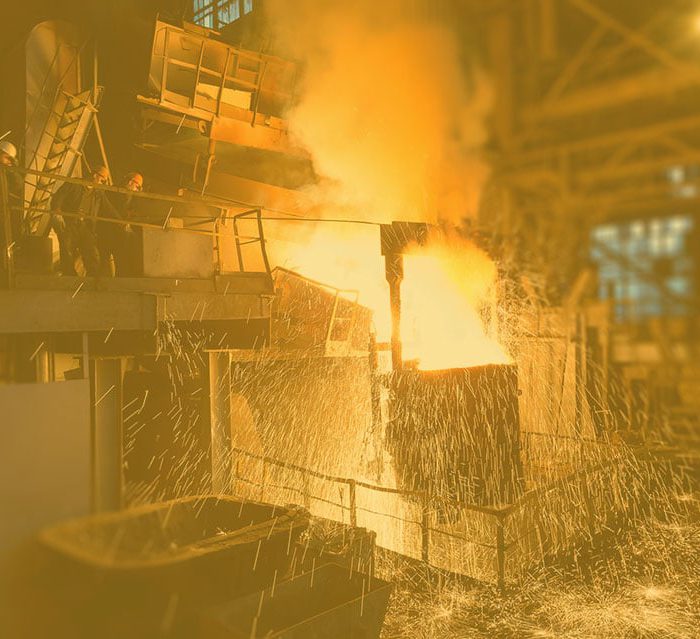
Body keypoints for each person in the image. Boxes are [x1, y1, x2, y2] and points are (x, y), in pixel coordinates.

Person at [50, 165, 117, 276]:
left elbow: (109, 208)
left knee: (91, 253)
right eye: (103, 180)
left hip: (86, 226)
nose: (103, 183)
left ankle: (92, 279)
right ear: (95, 175)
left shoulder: (98, 192)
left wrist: (122, 223)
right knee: (67, 251)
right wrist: (57, 212)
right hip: (70, 223)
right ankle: (69, 277)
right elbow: (58, 197)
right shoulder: (74, 183)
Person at [98, 170, 144, 276]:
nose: (137, 190)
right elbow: (106, 210)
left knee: (121, 260)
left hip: (120, 233)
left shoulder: (132, 197)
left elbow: (133, 213)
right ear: (130, 182)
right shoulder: (111, 192)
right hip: (107, 231)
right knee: (104, 260)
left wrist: (128, 223)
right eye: (137, 186)